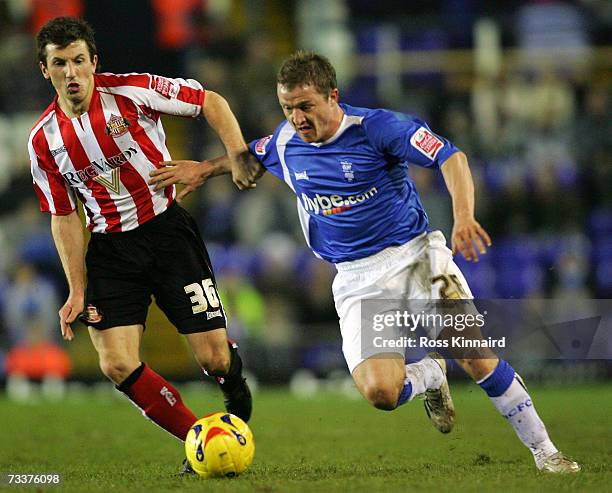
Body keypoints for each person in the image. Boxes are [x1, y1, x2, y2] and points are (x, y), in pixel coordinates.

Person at [149, 51, 580, 473]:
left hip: (415, 257)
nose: (297, 118)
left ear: (332, 96)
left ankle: (546, 452)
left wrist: (464, 216)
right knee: (380, 393)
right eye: (288, 108)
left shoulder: (377, 128)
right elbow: (249, 158)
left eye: (305, 106)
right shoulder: (285, 141)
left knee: (474, 354)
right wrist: (204, 170)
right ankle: (429, 374)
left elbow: (452, 157)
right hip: (356, 278)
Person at [28, 16, 252, 451]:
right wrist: (77, 289)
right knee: (115, 363)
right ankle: (198, 438)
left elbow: (210, 100)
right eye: (59, 64)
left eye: (78, 61)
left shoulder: (131, 90)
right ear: (45, 69)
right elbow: (63, 216)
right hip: (111, 249)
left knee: (213, 357)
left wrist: (237, 155)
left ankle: (233, 380)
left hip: (167, 232)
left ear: (94, 61)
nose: (70, 73)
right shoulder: (43, 141)